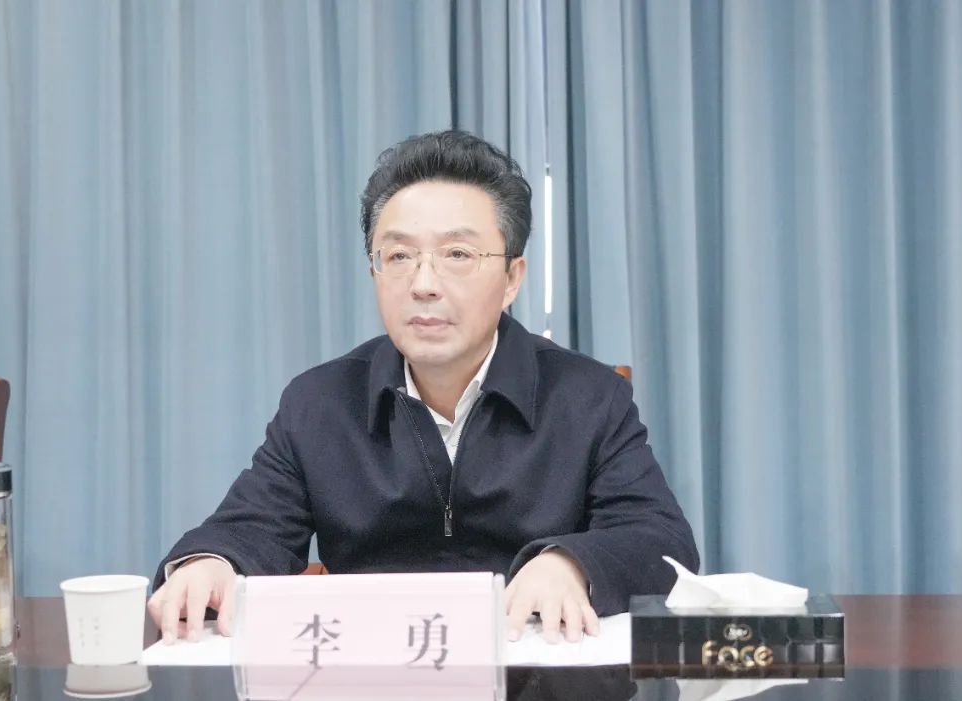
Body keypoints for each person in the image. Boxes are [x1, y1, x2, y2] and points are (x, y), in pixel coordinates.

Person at [148, 130, 698, 647]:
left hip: (538, 672)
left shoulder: (588, 396)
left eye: (457, 255)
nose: (424, 284)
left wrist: (571, 563)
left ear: (512, 278)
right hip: (376, 672)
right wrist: (211, 562)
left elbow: (661, 542)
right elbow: (251, 527)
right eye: (399, 256)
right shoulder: (320, 403)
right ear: (374, 271)